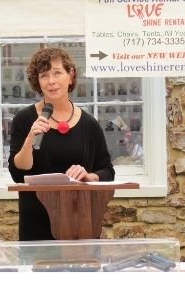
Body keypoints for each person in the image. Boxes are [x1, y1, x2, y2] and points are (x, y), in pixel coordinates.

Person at [8, 47, 114, 240]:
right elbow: (18, 173)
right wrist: (30, 138)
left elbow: (107, 171)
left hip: (80, 220)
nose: (51, 81)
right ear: (37, 82)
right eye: (44, 75)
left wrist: (89, 176)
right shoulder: (24, 120)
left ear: (71, 75)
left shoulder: (89, 124)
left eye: (57, 72)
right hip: (37, 221)